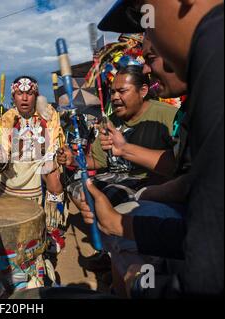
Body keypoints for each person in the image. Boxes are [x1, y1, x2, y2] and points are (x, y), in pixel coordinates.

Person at [81, 0, 223, 297]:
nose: (145, 57)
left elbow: (203, 283)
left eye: (145, 21)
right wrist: (122, 225)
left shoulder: (215, 49)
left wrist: (137, 282)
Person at [58, 65, 178, 207]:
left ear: (143, 91)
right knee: (78, 187)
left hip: (152, 183)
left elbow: (180, 163)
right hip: (116, 178)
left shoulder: (168, 115)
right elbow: (98, 161)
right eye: (112, 92)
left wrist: (126, 149)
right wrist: (74, 160)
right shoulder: (111, 121)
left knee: (111, 195)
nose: (115, 97)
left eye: (122, 91)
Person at [0, 76, 66, 230]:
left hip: (39, 165)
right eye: (19, 93)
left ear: (36, 96)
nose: (24, 98)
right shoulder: (6, 119)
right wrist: (0, 158)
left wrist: (56, 156)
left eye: (30, 93)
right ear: (14, 97)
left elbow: (56, 146)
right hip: (13, 167)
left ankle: (52, 225)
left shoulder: (49, 115)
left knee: (52, 173)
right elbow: (3, 152)